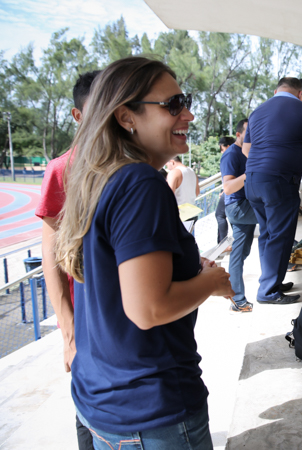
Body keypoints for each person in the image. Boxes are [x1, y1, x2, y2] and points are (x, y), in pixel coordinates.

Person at [55, 56, 235, 449]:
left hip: (99, 396)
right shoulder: (140, 183)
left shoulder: (98, 176)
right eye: (173, 105)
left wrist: (187, 270)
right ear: (126, 117)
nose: (187, 114)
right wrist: (211, 283)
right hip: (150, 411)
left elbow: (118, 280)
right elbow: (148, 308)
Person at [36, 70, 99, 450]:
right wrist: (68, 331)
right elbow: (51, 255)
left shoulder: (136, 164)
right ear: (78, 116)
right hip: (86, 321)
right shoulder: (62, 169)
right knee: (89, 417)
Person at [243, 77, 302, 304]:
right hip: (279, 181)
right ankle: (268, 291)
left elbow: (246, 148)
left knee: (267, 233)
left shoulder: (257, 111)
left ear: (276, 90)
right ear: (299, 93)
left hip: (253, 180)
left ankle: (271, 281)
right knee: (281, 235)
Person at [220, 118, 258, 313]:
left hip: (247, 205)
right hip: (238, 207)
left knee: (241, 253)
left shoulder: (250, 152)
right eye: (248, 133)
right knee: (275, 217)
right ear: (238, 134)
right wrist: (250, 172)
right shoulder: (231, 155)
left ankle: (237, 298)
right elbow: (227, 188)